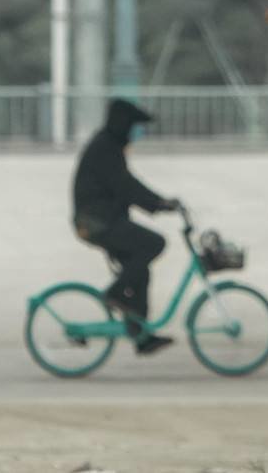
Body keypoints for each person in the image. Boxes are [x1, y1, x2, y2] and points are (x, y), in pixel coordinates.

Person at [72, 98, 180, 356]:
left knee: (140, 270)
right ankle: (115, 293)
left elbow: (128, 184)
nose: (139, 132)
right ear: (124, 125)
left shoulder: (110, 146)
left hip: (104, 220)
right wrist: (159, 203)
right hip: (95, 223)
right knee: (155, 243)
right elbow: (126, 186)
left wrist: (160, 202)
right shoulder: (104, 148)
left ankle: (141, 335)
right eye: (136, 126)